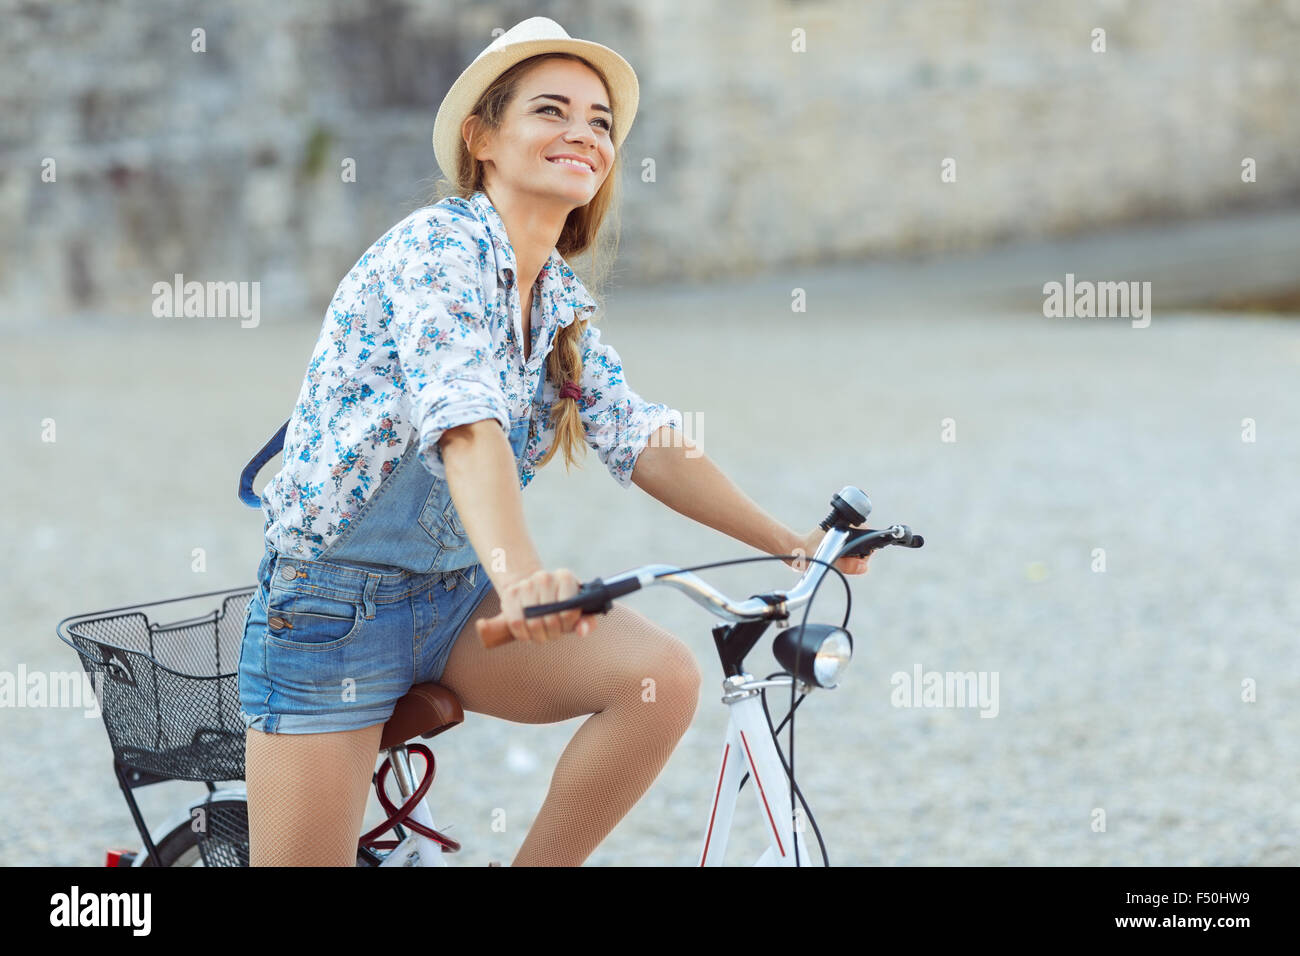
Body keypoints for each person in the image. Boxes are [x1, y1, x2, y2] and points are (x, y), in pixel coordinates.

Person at [235, 16, 870, 867]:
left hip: (456, 600)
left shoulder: (559, 300)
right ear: (483, 137)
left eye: (601, 120)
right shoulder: (436, 252)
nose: (584, 132)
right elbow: (467, 429)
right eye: (551, 110)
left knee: (659, 681)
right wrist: (524, 578)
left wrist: (791, 544)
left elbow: (641, 436)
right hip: (329, 613)